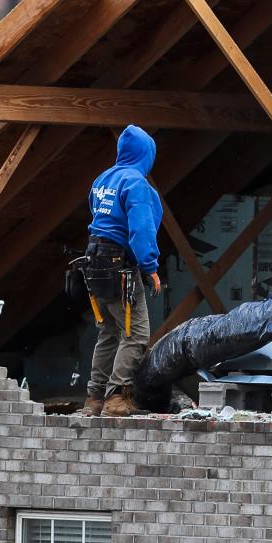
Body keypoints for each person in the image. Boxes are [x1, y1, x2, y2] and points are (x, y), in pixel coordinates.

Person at [81, 124, 163, 418]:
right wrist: (150, 267)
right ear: (146, 154)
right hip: (119, 266)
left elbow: (97, 215)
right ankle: (117, 398)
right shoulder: (136, 183)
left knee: (109, 331)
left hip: (94, 262)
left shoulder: (103, 179)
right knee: (137, 334)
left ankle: (94, 398)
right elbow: (141, 230)